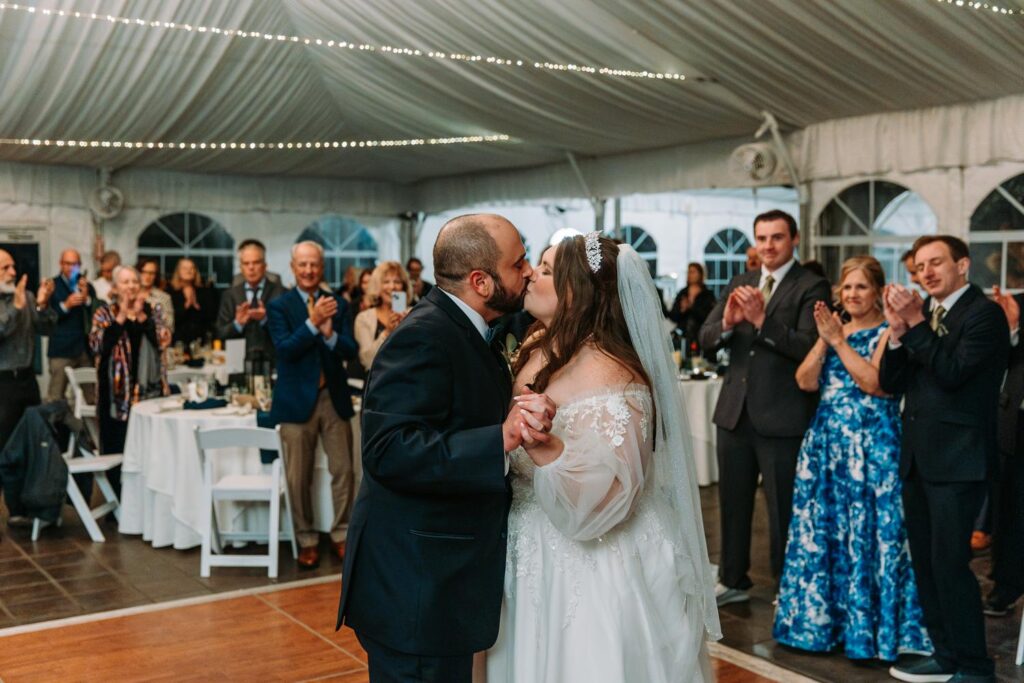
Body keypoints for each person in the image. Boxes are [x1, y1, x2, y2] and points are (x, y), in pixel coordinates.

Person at [485, 235, 720, 682]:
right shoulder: (535, 348)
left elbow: (610, 502)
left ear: (579, 291)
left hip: (593, 559)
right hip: (526, 543)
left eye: (549, 269)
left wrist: (547, 449)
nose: (532, 272)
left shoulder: (617, 374)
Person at [337, 214, 548, 683]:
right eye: (519, 263)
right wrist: (501, 437)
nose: (530, 271)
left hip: (440, 582)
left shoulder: (468, 328)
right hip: (415, 588)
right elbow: (388, 450)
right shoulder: (423, 335)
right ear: (481, 282)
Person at [773, 256, 930, 660]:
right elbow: (805, 381)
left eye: (861, 287)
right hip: (827, 447)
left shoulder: (886, 332)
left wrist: (839, 342)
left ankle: (870, 633)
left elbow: (875, 384)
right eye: (847, 287)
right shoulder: (833, 331)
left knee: (871, 537)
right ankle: (823, 626)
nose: (852, 294)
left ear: (878, 291)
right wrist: (826, 339)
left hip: (872, 447)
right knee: (825, 537)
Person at [881, 235, 1006, 683]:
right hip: (918, 459)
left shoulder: (983, 315)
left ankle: (975, 666)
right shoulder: (926, 316)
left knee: (951, 566)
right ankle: (946, 654)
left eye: (937, 263)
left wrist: (915, 326)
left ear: (963, 265)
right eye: (920, 265)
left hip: (959, 461)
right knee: (927, 566)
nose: (926, 272)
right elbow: (892, 382)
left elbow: (953, 375)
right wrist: (897, 337)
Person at [698, 209, 830, 606]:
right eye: (762, 238)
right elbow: (704, 337)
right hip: (735, 412)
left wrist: (761, 321)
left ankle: (786, 586)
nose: (768, 245)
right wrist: (727, 323)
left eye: (776, 237)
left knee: (784, 508)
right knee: (732, 503)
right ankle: (733, 577)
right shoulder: (741, 281)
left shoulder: (812, 285)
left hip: (783, 414)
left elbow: (809, 347)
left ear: (794, 240)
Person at [268, 241, 358, 570]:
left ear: (322, 268)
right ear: (293, 267)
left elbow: (350, 349)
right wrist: (311, 325)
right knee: (297, 476)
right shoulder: (279, 306)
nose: (308, 270)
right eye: (302, 265)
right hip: (294, 401)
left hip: (333, 397)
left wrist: (331, 334)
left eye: (314, 265)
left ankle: (342, 533)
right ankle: (306, 538)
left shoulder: (338, 304)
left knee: (345, 470)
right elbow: (285, 349)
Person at [90, 265, 168, 493]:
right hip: (115, 394)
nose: (131, 286)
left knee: (149, 448)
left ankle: (147, 499)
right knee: (117, 446)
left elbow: (162, 341)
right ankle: (119, 503)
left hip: (149, 392)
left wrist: (142, 316)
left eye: (135, 281)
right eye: (125, 282)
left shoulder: (153, 310)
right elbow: (97, 345)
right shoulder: (104, 313)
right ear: (114, 288)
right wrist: (122, 316)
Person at [985, 286, 1024, 617]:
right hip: (1016, 422)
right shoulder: (1018, 303)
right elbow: (1001, 360)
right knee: (1010, 508)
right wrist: (1011, 328)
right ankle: (1007, 585)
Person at [0, 250, 55, 450]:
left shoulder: (27, 297)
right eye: (5, 268)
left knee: (32, 437)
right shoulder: (18, 300)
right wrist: (15, 308)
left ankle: (28, 481)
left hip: (27, 379)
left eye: (13, 266)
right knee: (5, 441)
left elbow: (47, 329)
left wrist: (41, 304)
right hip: (3, 383)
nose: (13, 272)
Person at [215, 239, 285, 363]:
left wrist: (266, 319)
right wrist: (238, 323)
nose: (251, 267)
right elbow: (220, 333)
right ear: (241, 267)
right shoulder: (230, 295)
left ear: (265, 265)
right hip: (238, 364)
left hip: (274, 363)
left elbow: (289, 333)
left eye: (256, 262)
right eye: (246, 263)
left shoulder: (281, 293)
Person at [46, 249, 96, 402]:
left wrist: (87, 298)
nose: (71, 268)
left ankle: (90, 426)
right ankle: (55, 426)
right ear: (61, 264)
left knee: (92, 396)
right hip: (61, 349)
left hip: (83, 348)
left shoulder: (85, 284)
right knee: (56, 396)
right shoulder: (52, 285)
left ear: (80, 265)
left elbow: (97, 311)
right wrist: (66, 306)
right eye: (67, 263)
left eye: (74, 264)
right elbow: (46, 317)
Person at [354, 261, 411, 371]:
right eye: (386, 282)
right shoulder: (363, 318)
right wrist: (387, 333)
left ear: (403, 287)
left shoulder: (414, 314)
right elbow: (367, 361)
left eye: (397, 282)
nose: (392, 286)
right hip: (378, 383)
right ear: (377, 287)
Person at [668, 262, 717, 353]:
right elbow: (673, 316)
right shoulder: (682, 293)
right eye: (689, 272)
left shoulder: (707, 295)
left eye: (693, 272)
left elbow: (710, 317)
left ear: (700, 274)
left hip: (702, 338)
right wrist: (682, 310)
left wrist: (691, 307)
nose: (690, 275)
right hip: (683, 338)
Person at [168, 258, 217, 347]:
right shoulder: (170, 292)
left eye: (192, 268)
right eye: (185, 268)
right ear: (178, 271)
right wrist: (186, 305)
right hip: (177, 343)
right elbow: (170, 320)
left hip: (200, 342)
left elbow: (211, 317)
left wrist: (196, 305)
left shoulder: (204, 291)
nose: (189, 271)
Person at [137, 257, 174, 335]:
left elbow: (170, 326)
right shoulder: (130, 294)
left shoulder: (164, 298)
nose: (147, 276)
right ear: (138, 273)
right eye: (144, 272)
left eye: (151, 273)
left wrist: (156, 313)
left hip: (155, 338)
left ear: (155, 275)